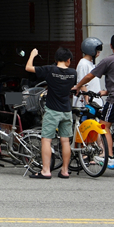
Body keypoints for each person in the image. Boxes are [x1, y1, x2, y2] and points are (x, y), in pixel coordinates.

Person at [73, 33, 114, 174]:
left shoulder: (109, 60)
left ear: (111, 46)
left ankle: (108, 158)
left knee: (104, 125)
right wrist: (106, 91)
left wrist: (78, 86)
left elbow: (90, 76)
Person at [25, 47, 76, 179]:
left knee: (46, 140)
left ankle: (46, 171)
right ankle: (65, 171)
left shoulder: (49, 70)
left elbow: (28, 68)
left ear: (55, 59)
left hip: (53, 110)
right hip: (67, 111)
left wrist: (32, 55)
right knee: (65, 141)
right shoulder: (73, 73)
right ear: (68, 60)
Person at [75, 37, 104, 110]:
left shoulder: (91, 63)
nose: (99, 52)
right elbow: (81, 83)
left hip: (94, 102)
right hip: (87, 103)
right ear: (91, 49)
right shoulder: (83, 63)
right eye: (97, 50)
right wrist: (87, 101)